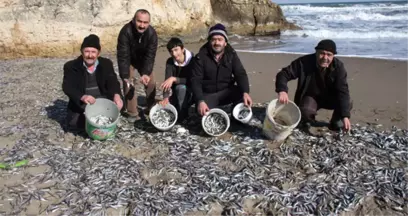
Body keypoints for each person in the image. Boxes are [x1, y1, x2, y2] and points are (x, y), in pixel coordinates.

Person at [275, 39, 352, 132]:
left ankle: (335, 121)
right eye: (322, 53)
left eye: (329, 55)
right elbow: (283, 74)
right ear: (316, 52)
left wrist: (345, 116)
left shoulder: (338, 67)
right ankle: (308, 120)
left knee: (346, 103)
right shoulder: (304, 62)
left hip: (330, 98)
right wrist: (282, 90)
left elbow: (343, 91)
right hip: (311, 97)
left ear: (333, 56)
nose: (325, 57)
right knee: (305, 112)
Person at [190, 23, 253, 116]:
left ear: (225, 42)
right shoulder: (200, 57)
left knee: (241, 95)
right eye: (213, 40)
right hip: (208, 94)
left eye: (220, 39)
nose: (217, 43)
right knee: (202, 113)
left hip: (226, 91)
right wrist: (200, 100)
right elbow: (195, 80)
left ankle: (235, 116)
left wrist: (246, 92)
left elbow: (240, 73)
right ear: (209, 41)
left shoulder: (231, 55)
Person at [62, 34, 123, 129]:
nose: (90, 55)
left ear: (98, 53)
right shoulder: (71, 66)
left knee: (112, 114)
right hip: (83, 103)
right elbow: (67, 86)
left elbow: (113, 81)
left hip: (103, 101)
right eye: (87, 51)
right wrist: (82, 97)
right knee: (74, 124)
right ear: (82, 52)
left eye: (93, 52)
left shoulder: (106, 64)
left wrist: (117, 94)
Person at [117, 9, 158, 122]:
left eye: (145, 22)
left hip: (143, 60)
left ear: (149, 23)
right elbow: (123, 56)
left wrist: (146, 73)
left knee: (151, 82)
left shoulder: (152, 34)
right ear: (133, 20)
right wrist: (125, 75)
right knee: (128, 83)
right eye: (139, 21)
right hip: (129, 59)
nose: (142, 25)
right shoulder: (125, 32)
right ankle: (132, 112)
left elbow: (150, 56)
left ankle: (151, 108)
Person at [159, 37, 194, 122]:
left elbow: (192, 80)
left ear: (182, 49)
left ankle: (183, 115)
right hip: (176, 92)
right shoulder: (170, 62)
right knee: (163, 105)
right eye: (171, 51)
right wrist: (165, 97)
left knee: (181, 87)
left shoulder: (193, 60)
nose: (174, 54)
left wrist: (175, 79)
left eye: (176, 50)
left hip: (192, 90)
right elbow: (167, 81)